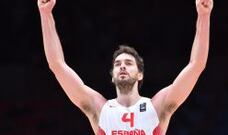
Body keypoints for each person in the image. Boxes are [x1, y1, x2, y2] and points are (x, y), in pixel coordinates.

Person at [37, 0, 213, 134]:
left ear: (140, 75)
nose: (122, 67)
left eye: (128, 63)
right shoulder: (100, 109)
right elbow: (57, 65)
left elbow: (196, 65)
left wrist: (204, 16)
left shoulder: (157, 107)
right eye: (118, 64)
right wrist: (45, 13)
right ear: (112, 75)